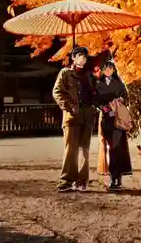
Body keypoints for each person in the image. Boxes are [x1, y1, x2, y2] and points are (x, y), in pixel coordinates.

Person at [53, 46, 96, 192]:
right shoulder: (65, 73)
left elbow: (95, 93)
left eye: (84, 56)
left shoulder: (90, 75)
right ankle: (66, 180)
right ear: (73, 57)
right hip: (72, 116)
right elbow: (57, 92)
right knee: (71, 149)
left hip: (88, 115)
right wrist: (68, 106)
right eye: (79, 55)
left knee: (85, 150)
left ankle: (82, 181)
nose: (82, 58)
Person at [94, 60, 132, 190]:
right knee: (109, 147)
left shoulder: (119, 84)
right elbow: (95, 100)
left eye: (110, 68)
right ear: (103, 70)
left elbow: (127, 97)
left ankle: (117, 179)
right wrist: (104, 108)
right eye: (106, 68)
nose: (108, 70)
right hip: (106, 119)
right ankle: (113, 177)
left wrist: (121, 100)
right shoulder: (99, 84)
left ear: (114, 70)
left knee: (116, 148)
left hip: (118, 119)